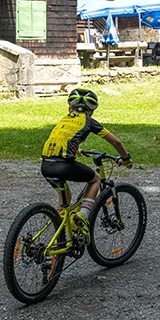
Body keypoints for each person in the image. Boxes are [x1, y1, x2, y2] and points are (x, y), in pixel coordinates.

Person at [40, 89, 130, 231]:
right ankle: (83, 216)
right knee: (95, 179)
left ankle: (60, 233)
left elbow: (65, 138)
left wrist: (76, 150)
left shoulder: (64, 120)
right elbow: (115, 142)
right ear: (91, 111)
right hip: (64, 165)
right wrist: (125, 158)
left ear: (70, 109)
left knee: (65, 198)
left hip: (46, 166)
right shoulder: (89, 121)